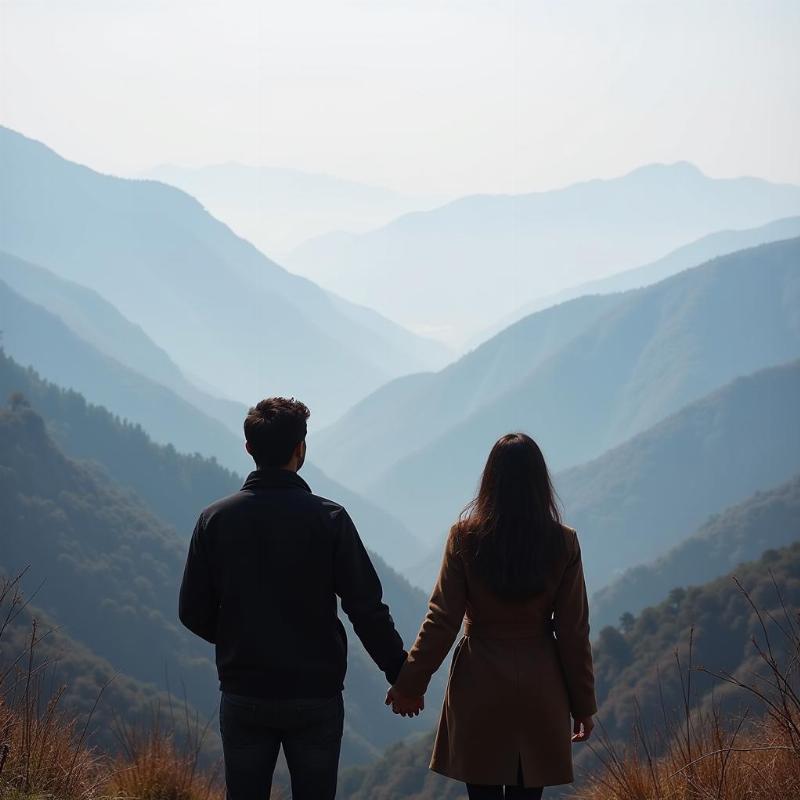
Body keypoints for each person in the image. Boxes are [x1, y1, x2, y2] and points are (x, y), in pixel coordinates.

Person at [179, 397, 409, 800]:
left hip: (244, 690)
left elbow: (192, 611)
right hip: (314, 694)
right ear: (301, 448)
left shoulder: (214, 520)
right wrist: (401, 674)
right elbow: (366, 608)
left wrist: (241, 638)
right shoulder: (329, 519)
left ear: (249, 449)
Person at [386, 432, 597, 799]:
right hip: (540, 688)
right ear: (539, 483)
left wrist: (410, 684)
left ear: (490, 480)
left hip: (478, 686)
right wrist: (583, 703)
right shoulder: (563, 542)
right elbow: (573, 631)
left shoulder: (464, 538)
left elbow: (442, 618)